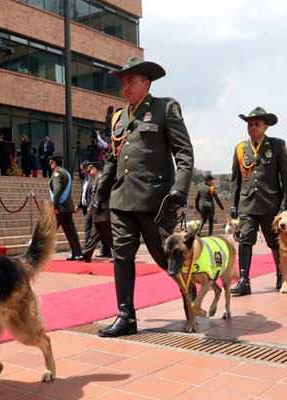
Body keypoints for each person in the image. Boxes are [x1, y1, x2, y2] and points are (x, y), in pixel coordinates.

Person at [92, 56, 194, 337]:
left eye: (131, 81)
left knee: (166, 257)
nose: (125, 87)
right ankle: (126, 316)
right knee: (122, 256)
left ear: (146, 83)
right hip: (122, 199)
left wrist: (180, 189)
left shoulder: (164, 109)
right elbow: (113, 160)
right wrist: (100, 193)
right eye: (123, 82)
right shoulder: (118, 118)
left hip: (156, 200)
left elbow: (184, 152)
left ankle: (190, 297)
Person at [230, 107, 287, 295]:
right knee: (245, 240)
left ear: (266, 126)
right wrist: (234, 203)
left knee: (275, 242)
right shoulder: (241, 148)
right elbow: (236, 178)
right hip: (247, 204)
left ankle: (280, 275)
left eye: (257, 124)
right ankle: (244, 280)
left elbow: (286, 176)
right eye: (250, 125)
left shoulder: (276, 145)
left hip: (270, 203)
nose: (253, 128)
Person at [49, 156, 84, 261]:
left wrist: (55, 206)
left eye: (51, 163)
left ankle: (38, 253)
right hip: (68, 207)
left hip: (60, 207)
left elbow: (57, 189)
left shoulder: (57, 173)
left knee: (48, 230)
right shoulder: (66, 172)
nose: (51, 165)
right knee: (71, 232)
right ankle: (77, 253)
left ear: (54, 163)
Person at [82, 162, 113, 262]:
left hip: (102, 212)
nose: (90, 172)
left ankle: (122, 254)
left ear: (96, 169)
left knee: (109, 235)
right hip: (98, 213)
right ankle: (86, 254)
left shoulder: (101, 178)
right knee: (94, 235)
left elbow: (98, 195)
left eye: (91, 170)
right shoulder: (96, 179)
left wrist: (91, 206)